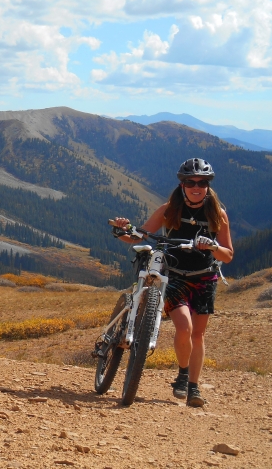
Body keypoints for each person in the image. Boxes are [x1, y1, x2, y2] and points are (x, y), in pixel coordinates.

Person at [110, 158, 233, 408]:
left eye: (202, 182)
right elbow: (140, 234)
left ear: (208, 185)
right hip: (175, 276)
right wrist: (122, 230)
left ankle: (192, 386)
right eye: (190, 182)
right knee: (184, 327)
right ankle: (184, 373)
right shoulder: (170, 209)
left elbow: (228, 255)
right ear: (182, 184)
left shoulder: (217, 214)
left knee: (197, 335)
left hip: (204, 278)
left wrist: (212, 246)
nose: (196, 187)